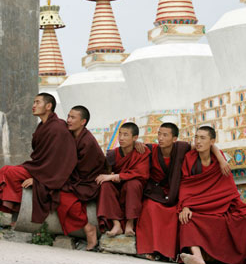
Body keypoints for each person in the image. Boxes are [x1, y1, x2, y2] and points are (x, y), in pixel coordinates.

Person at [178, 126, 246, 264]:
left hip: (221, 204)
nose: (198, 141)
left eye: (203, 138)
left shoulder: (219, 159)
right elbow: (186, 185)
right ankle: (197, 257)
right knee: (187, 220)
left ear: (212, 141)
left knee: (245, 218)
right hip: (198, 206)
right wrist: (185, 206)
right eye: (196, 137)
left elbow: (228, 188)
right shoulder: (190, 158)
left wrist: (233, 205)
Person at [136, 122, 230, 261]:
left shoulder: (182, 147)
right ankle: (151, 249)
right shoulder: (152, 149)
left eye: (165, 135)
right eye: (159, 134)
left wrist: (222, 159)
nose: (160, 138)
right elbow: (133, 147)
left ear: (174, 139)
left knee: (174, 214)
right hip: (157, 192)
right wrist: (137, 142)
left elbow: (208, 145)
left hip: (174, 193)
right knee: (151, 208)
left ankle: (167, 253)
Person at [0, 93, 77, 224]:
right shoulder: (43, 126)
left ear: (48, 106)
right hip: (39, 167)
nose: (33, 106)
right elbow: (42, 157)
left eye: (37, 102)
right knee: (6, 171)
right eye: (34, 102)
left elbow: (62, 160)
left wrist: (38, 180)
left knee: (8, 172)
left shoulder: (58, 128)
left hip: (49, 173)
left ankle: (16, 208)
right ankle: (14, 207)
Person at [56, 106, 107, 251]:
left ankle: (88, 228)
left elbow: (84, 169)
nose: (69, 120)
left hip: (89, 181)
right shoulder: (71, 135)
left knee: (63, 195)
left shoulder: (87, 141)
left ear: (83, 121)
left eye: (73, 118)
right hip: (75, 177)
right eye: (68, 116)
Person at [96, 122, 150, 237]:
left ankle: (130, 224)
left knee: (133, 184)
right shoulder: (113, 154)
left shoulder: (141, 152)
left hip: (132, 186)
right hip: (118, 186)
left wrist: (117, 176)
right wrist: (111, 175)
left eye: (126, 135)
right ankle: (116, 225)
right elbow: (107, 171)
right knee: (105, 185)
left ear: (135, 138)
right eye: (120, 134)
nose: (121, 138)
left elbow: (141, 173)